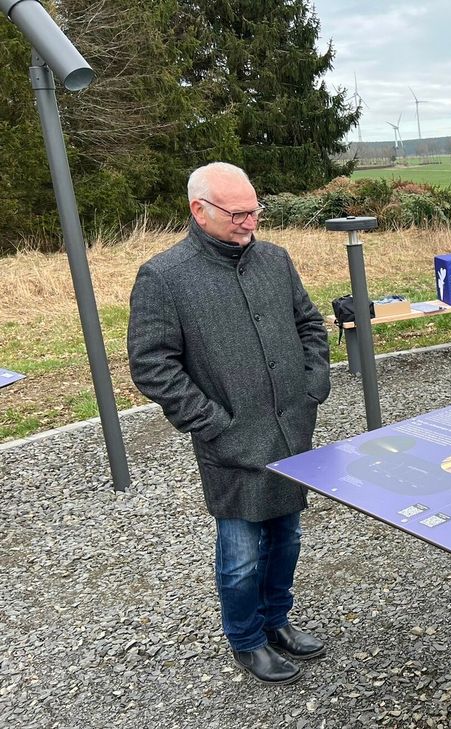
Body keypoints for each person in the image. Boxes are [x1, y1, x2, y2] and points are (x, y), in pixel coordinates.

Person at [127, 162, 331, 686]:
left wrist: (312, 387)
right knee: (240, 552)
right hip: (230, 444)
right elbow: (152, 364)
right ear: (200, 210)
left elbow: (309, 324)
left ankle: (277, 621)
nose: (250, 223)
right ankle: (246, 639)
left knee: (287, 537)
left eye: (254, 210)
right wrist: (212, 422)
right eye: (238, 214)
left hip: (290, 432)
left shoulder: (274, 260)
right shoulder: (165, 276)